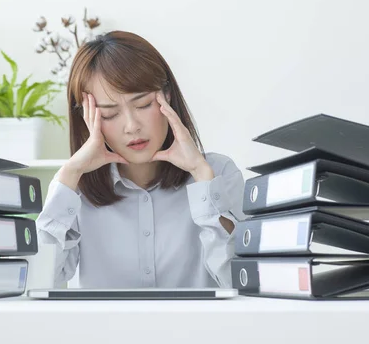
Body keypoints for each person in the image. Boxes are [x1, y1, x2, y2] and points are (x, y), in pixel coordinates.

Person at [35, 30, 245, 289]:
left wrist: (201, 176)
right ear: (87, 118)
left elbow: (240, 285)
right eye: (110, 114)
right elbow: (40, 284)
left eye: (144, 104)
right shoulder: (75, 191)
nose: (131, 126)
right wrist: (70, 174)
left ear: (167, 96)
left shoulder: (219, 173)